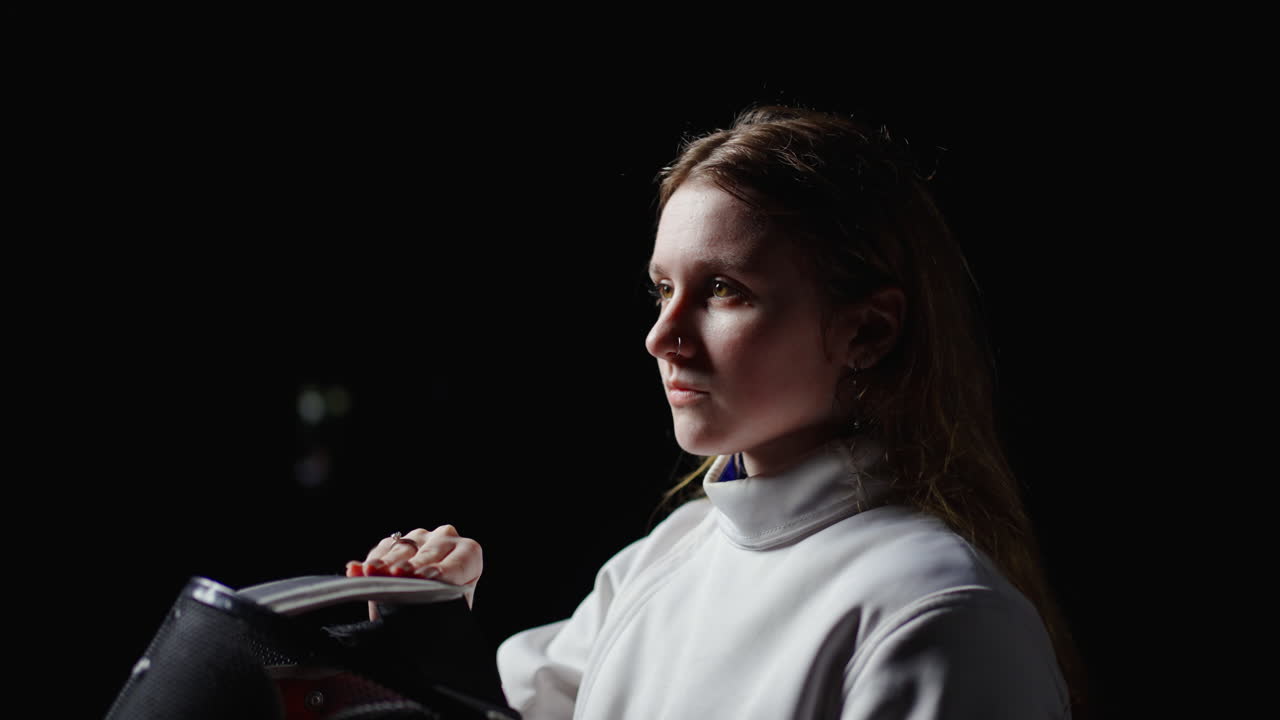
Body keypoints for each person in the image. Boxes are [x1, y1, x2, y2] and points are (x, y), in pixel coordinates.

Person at [345, 105, 1084, 718]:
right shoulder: (673, 552)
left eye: (725, 290)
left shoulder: (936, 613)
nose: (662, 336)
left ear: (868, 330)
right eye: (662, 289)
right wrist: (429, 637)